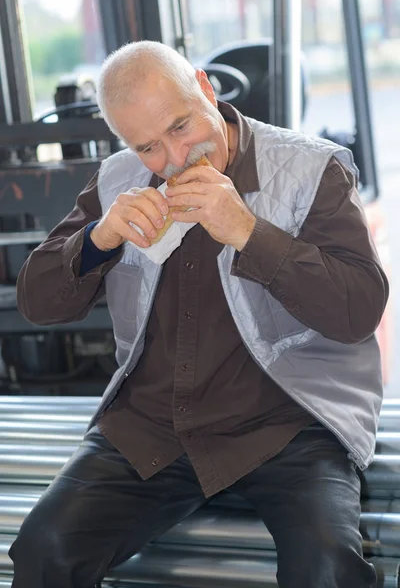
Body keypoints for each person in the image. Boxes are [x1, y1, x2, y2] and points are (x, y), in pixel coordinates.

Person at [10, 40, 388, 588]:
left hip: (289, 424)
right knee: (45, 548)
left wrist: (249, 233)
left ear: (206, 89)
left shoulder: (312, 170)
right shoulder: (118, 180)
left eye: (181, 127)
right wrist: (99, 239)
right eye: (147, 147)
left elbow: (359, 310)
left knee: (326, 567)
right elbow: (36, 302)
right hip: (153, 426)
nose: (172, 159)